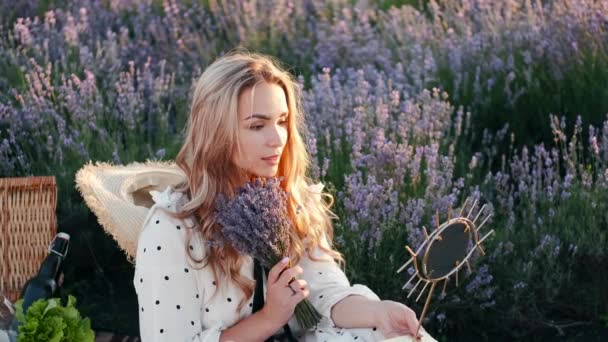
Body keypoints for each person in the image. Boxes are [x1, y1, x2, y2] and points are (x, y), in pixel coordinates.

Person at [132, 51, 431, 342]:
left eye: (283, 121)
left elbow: (326, 293)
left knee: (387, 334)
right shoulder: (172, 229)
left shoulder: (289, 201)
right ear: (216, 133)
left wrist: (378, 312)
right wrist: (269, 318)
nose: (277, 139)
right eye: (257, 126)